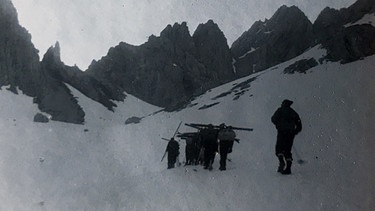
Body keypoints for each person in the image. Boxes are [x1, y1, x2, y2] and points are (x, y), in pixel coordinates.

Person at [271, 99, 302, 175]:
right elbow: (299, 125)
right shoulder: (293, 112)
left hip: (282, 132)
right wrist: (294, 132)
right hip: (290, 134)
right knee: (287, 150)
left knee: (279, 149)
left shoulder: (280, 110)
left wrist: (278, 125)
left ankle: (281, 162)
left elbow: (273, 119)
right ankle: (288, 168)